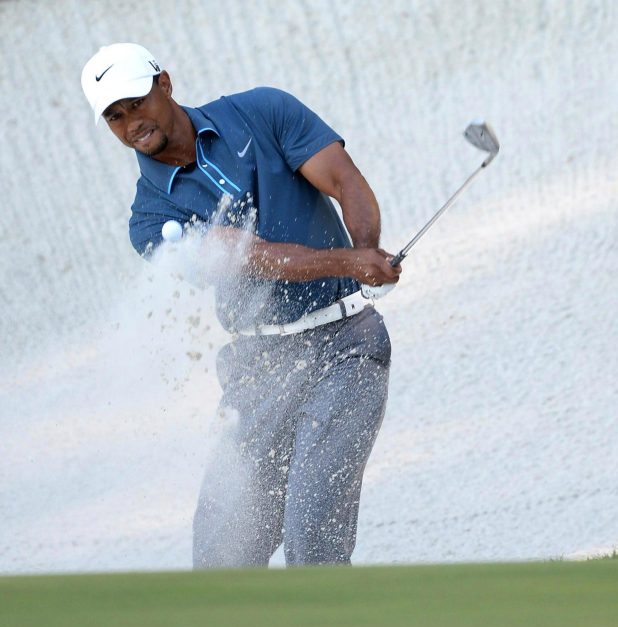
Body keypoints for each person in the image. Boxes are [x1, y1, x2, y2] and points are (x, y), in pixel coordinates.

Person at [80, 43, 400, 567]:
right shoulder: (149, 221)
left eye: (135, 103)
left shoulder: (262, 110)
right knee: (219, 559)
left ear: (165, 84)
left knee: (314, 532)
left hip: (346, 348)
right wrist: (350, 260)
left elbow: (343, 179)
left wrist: (367, 249)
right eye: (114, 116)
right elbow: (253, 259)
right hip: (257, 375)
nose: (129, 122)